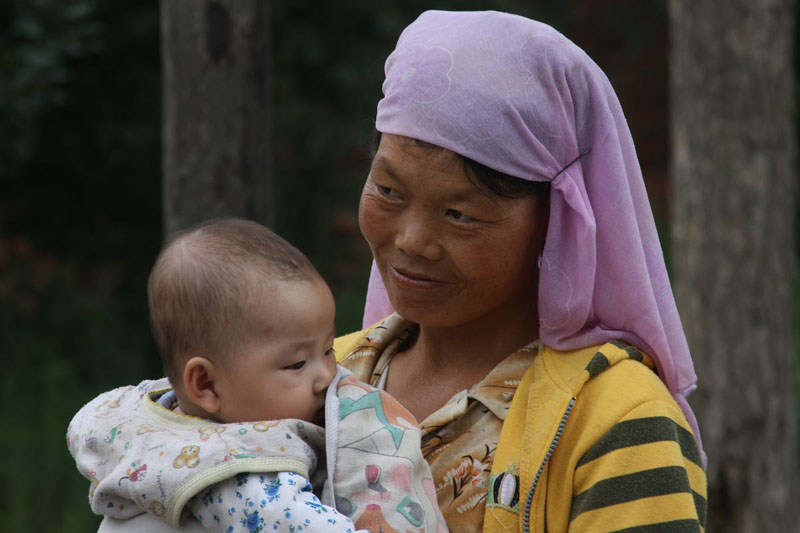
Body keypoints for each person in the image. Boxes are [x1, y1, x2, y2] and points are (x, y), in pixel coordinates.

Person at [333, 10, 707, 532]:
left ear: (556, 222)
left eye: (460, 214)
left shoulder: (617, 420)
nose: (412, 240)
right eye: (388, 191)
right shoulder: (315, 375)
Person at [67, 218, 447, 533]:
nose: (327, 376)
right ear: (205, 385)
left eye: (328, 350)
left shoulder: (140, 427)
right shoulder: (235, 473)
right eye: (296, 364)